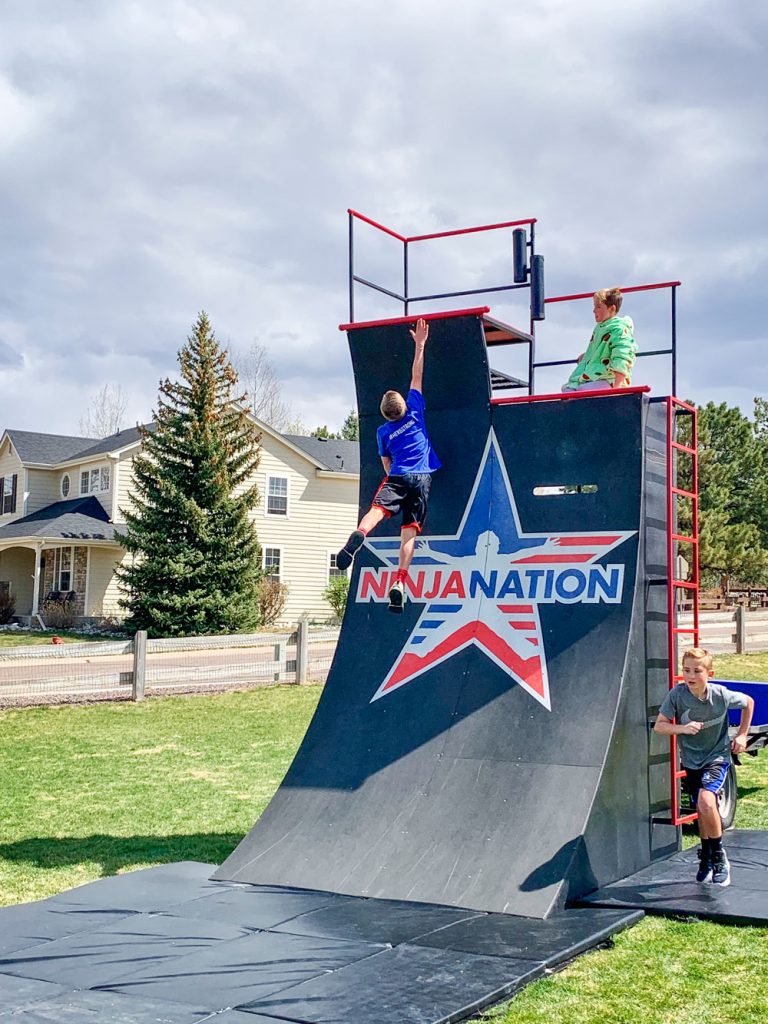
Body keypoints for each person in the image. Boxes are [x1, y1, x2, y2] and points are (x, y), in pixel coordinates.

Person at [336, 317, 441, 613]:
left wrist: (394, 482)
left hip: (397, 476)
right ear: (405, 407)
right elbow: (416, 377)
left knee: (376, 511)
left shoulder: (383, 432)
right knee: (409, 532)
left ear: (386, 415)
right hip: (422, 478)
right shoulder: (415, 414)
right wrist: (420, 345)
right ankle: (399, 582)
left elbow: (386, 464)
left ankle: (361, 534)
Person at [654, 647, 754, 887]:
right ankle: (707, 856)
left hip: (717, 757)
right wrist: (682, 729)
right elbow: (660, 726)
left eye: (697, 671)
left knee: (707, 801)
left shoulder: (720, 694)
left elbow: (749, 702)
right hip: (692, 761)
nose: (690, 675)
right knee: (702, 809)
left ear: (709, 673)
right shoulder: (677, 695)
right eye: (686, 670)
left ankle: (720, 857)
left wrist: (742, 735)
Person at [562, 287, 636, 392]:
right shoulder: (601, 328)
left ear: (612, 309)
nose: (594, 310)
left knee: (580, 391)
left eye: (598, 307)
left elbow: (623, 355)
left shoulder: (619, 329)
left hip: (609, 379)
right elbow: (601, 349)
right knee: (567, 389)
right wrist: (587, 356)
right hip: (595, 376)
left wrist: (617, 386)